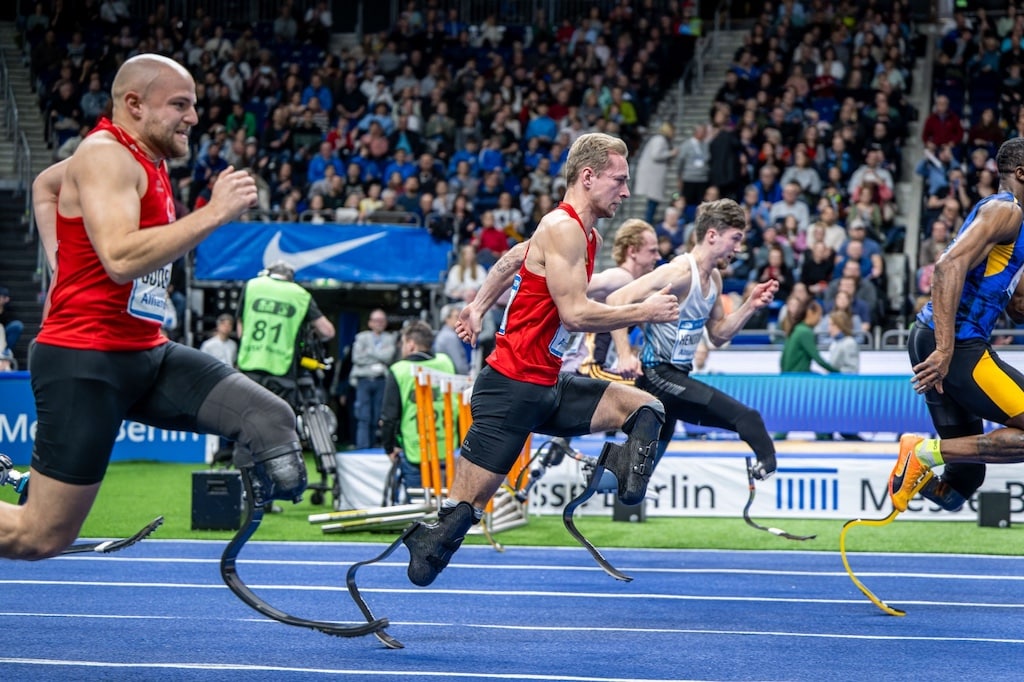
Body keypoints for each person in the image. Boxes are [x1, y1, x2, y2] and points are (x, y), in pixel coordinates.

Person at [0, 54, 307, 561]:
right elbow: (120, 258)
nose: (193, 117)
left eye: (193, 105)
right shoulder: (105, 155)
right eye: (180, 105)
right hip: (85, 361)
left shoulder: (144, 157)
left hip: (146, 354)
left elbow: (46, 187)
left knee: (268, 417)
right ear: (135, 105)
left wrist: (62, 265)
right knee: (40, 535)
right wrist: (213, 213)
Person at [392, 132, 679, 588]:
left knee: (647, 410)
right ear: (588, 177)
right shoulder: (561, 226)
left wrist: (477, 305)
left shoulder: (583, 234)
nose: (626, 192)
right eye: (619, 180)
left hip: (546, 387)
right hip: (508, 390)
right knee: (445, 536)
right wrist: (645, 311)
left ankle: (617, 480)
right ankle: (425, 541)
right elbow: (577, 314)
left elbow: (513, 257)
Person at [889, 137, 1024, 513]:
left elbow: (1017, 308)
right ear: (1021, 173)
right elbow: (947, 266)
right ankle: (921, 453)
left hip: (934, 337)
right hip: (954, 344)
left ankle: (915, 464)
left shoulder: (1017, 227)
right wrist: (946, 350)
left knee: (963, 483)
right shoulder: (1006, 211)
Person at [606, 199, 780, 477]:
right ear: (712, 235)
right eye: (735, 239)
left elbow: (719, 334)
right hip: (656, 377)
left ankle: (594, 470)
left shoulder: (714, 280)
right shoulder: (678, 273)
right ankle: (767, 463)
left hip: (675, 380)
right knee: (747, 418)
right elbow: (616, 299)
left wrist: (750, 305)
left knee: (633, 484)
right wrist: (625, 354)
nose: (738, 248)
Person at [560, 218, 661, 378]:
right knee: (651, 393)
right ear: (632, 251)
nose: (658, 256)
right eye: (652, 251)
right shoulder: (620, 278)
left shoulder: (634, 285)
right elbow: (569, 287)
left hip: (592, 369)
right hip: (586, 370)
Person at [236, 261, 336, 404]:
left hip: (249, 366)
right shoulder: (300, 294)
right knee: (277, 420)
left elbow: (241, 327)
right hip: (282, 370)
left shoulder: (252, 286)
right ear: (290, 277)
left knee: (245, 415)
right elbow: (327, 331)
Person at [380, 320, 458, 502]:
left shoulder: (399, 370)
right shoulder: (446, 363)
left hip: (415, 448)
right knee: (444, 505)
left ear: (410, 344)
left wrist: (389, 447)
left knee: (417, 507)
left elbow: (389, 416)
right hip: (444, 447)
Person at [350, 308, 398, 449]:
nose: (379, 323)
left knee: (378, 416)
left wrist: (369, 352)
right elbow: (357, 357)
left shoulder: (390, 338)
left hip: (381, 380)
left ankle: (374, 446)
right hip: (364, 380)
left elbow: (388, 356)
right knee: (363, 416)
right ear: (370, 323)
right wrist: (379, 356)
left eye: (382, 320)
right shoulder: (361, 337)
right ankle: (362, 447)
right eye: (376, 320)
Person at [433, 302, 470, 375]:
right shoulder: (449, 337)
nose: (459, 320)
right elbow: (460, 366)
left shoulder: (444, 334)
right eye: (456, 317)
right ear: (447, 319)